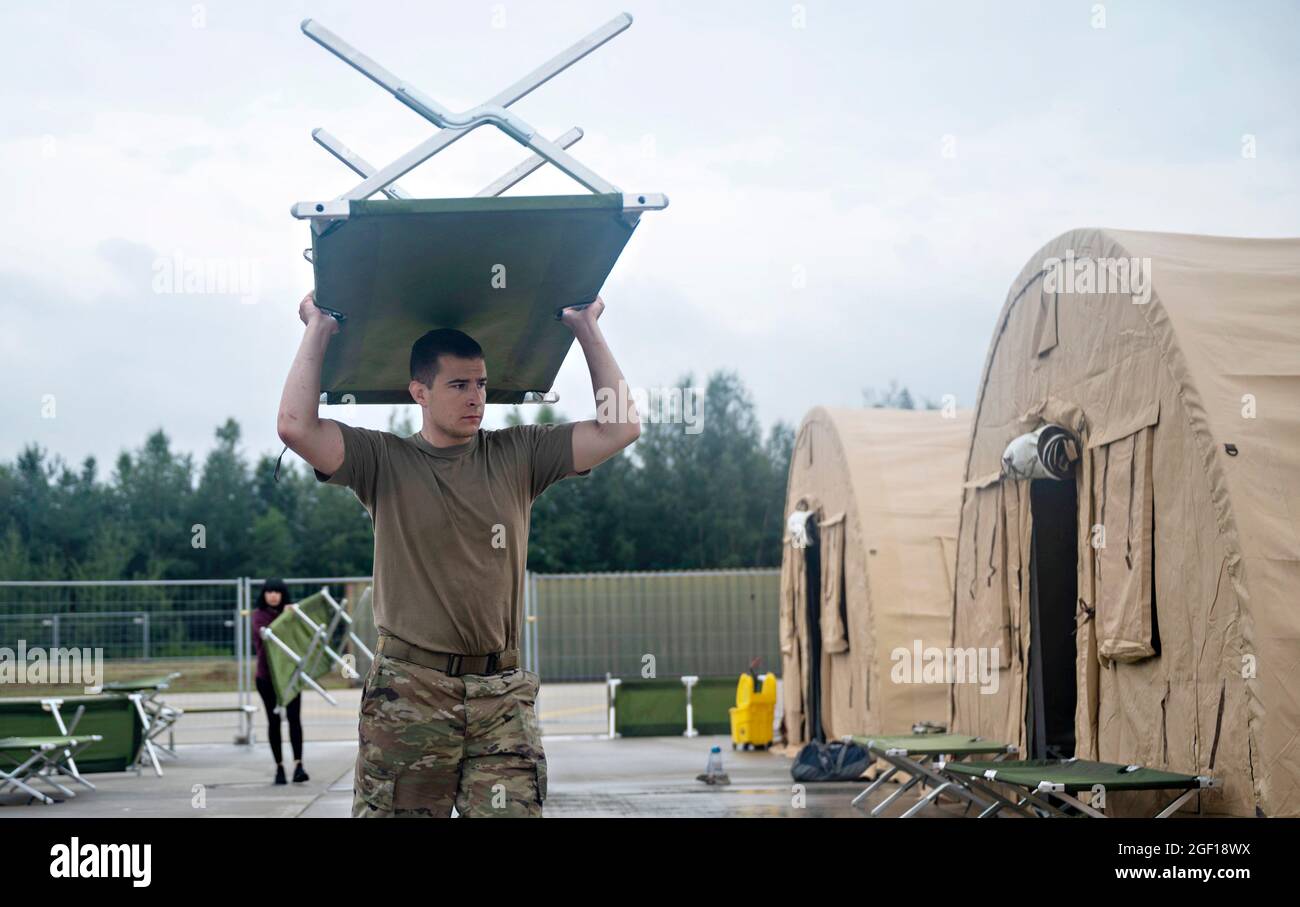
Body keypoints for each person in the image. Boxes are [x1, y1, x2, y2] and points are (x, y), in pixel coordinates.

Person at [276, 291, 639, 817]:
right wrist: (319, 326)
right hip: (410, 692)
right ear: (419, 391)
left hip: (501, 695)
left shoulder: (518, 454)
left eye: (482, 384)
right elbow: (295, 425)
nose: (476, 398)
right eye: (459, 385)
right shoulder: (384, 460)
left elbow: (620, 427)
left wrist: (586, 328)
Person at [249, 577, 309, 785]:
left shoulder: (292, 614)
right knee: (273, 722)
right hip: (266, 678)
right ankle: (279, 768)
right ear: (264, 594)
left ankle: (299, 765)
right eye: (269, 591)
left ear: (283, 594)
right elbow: (268, 634)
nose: (273, 595)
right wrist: (285, 616)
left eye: (277, 592)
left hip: (290, 676)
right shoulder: (258, 616)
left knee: (294, 719)